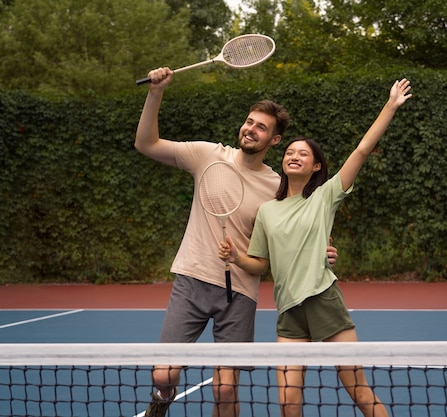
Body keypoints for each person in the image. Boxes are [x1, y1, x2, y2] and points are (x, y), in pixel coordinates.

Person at [134, 67, 339, 417]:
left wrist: (323, 249)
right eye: (249, 122)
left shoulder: (276, 187)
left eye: (262, 127)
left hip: (239, 293)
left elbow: (300, 224)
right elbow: (146, 144)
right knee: (163, 374)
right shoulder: (208, 156)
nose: (251, 129)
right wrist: (156, 93)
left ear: (274, 140)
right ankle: (161, 400)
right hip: (192, 279)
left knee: (225, 388)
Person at [218, 78, 412, 417]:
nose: (294, 157)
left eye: (303, 154)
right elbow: (261, 265)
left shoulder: (325, 196)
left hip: (324, 300)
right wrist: (236, 256)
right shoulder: (267, 211)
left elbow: (362, 149)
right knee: (288, 402)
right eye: (290, 152)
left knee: (358, 391)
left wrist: (391, 106)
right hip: (289, 313)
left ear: (316, 166)